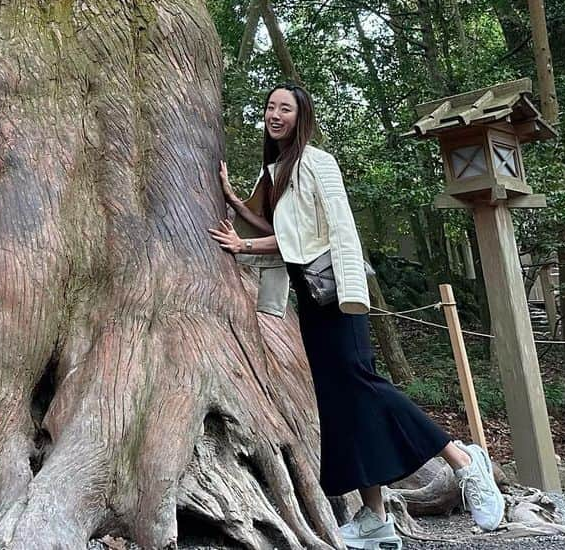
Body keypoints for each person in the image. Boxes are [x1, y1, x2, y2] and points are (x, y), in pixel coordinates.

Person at [210, 81, 505, 550]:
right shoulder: (278, 170)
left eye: (284, 108)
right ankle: (374, 518)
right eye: (269, 107)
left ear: (300, 116)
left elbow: (326, 233)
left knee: (363, 382)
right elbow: (280, 228)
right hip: (311, 298)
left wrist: (244, 246)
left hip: (339, 295)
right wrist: (231, 198)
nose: (274, 114)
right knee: (340, 402)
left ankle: (464, 461)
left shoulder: (318, 162)